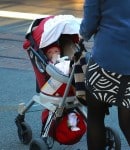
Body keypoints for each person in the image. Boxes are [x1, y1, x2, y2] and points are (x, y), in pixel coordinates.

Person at [80, 0, 130, 149]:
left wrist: (83, 34)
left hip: (107, 61)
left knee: (95, 115)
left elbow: (89, 23)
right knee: (127, 122)